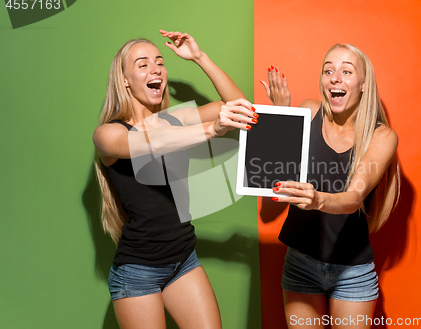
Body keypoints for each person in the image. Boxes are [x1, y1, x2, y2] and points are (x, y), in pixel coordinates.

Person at [93, 30, 256, 329]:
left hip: (183, 259)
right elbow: (151, 142)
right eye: (142, 64)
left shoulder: (174, 119)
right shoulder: (107, 134)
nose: (155, 68)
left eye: (159, 62)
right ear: (124, 80)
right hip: (137, 271)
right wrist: (213, 129)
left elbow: (240, 106)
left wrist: (199, 57)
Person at [260, 44, 400, 328]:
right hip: (300, 263)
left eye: (346, 71)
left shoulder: (381, 136)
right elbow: (271, 197)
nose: (335, 77)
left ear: (363, 85)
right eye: (328, 70)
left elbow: (354, 197)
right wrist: (282, 115)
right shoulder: (309, 113)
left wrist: (316, 200)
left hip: (353, 271)